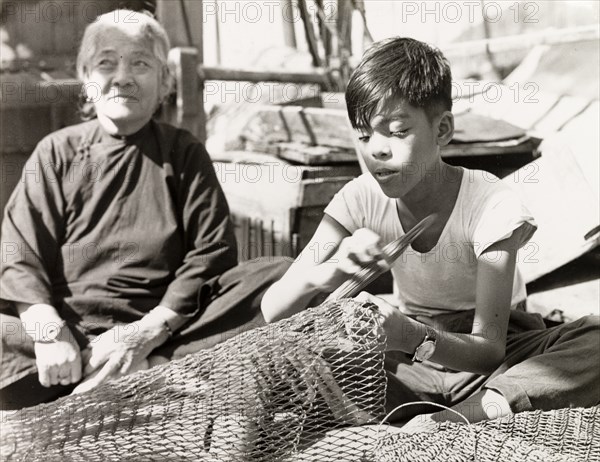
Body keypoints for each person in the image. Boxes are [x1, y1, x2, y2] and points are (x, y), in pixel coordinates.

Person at [261, 37, 599, 430]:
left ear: (442, 130)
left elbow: (489, 350)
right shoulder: (358, 199)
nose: (377, 151)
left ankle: (462, 416)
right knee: (295, 357)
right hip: (409, 362)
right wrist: (323, 273)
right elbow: (273, 308)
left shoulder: (491, 204)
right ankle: (453, 412)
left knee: (594, 340)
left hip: (497, 356)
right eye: (364, 135)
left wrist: (412, 336)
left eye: (397, 130)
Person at [0, 9, 286, 410]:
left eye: (140, 63)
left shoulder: (183, 152)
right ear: (86, 78)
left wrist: (144, 333)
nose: (122, 77)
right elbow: (19, 255)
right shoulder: (57, 152)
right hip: (66, 335)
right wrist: (48, 333)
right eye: (106, 63)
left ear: (164, 81)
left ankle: (135, 368)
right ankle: (127, 375)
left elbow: (212, 254)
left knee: (276, 276)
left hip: (162, 327)